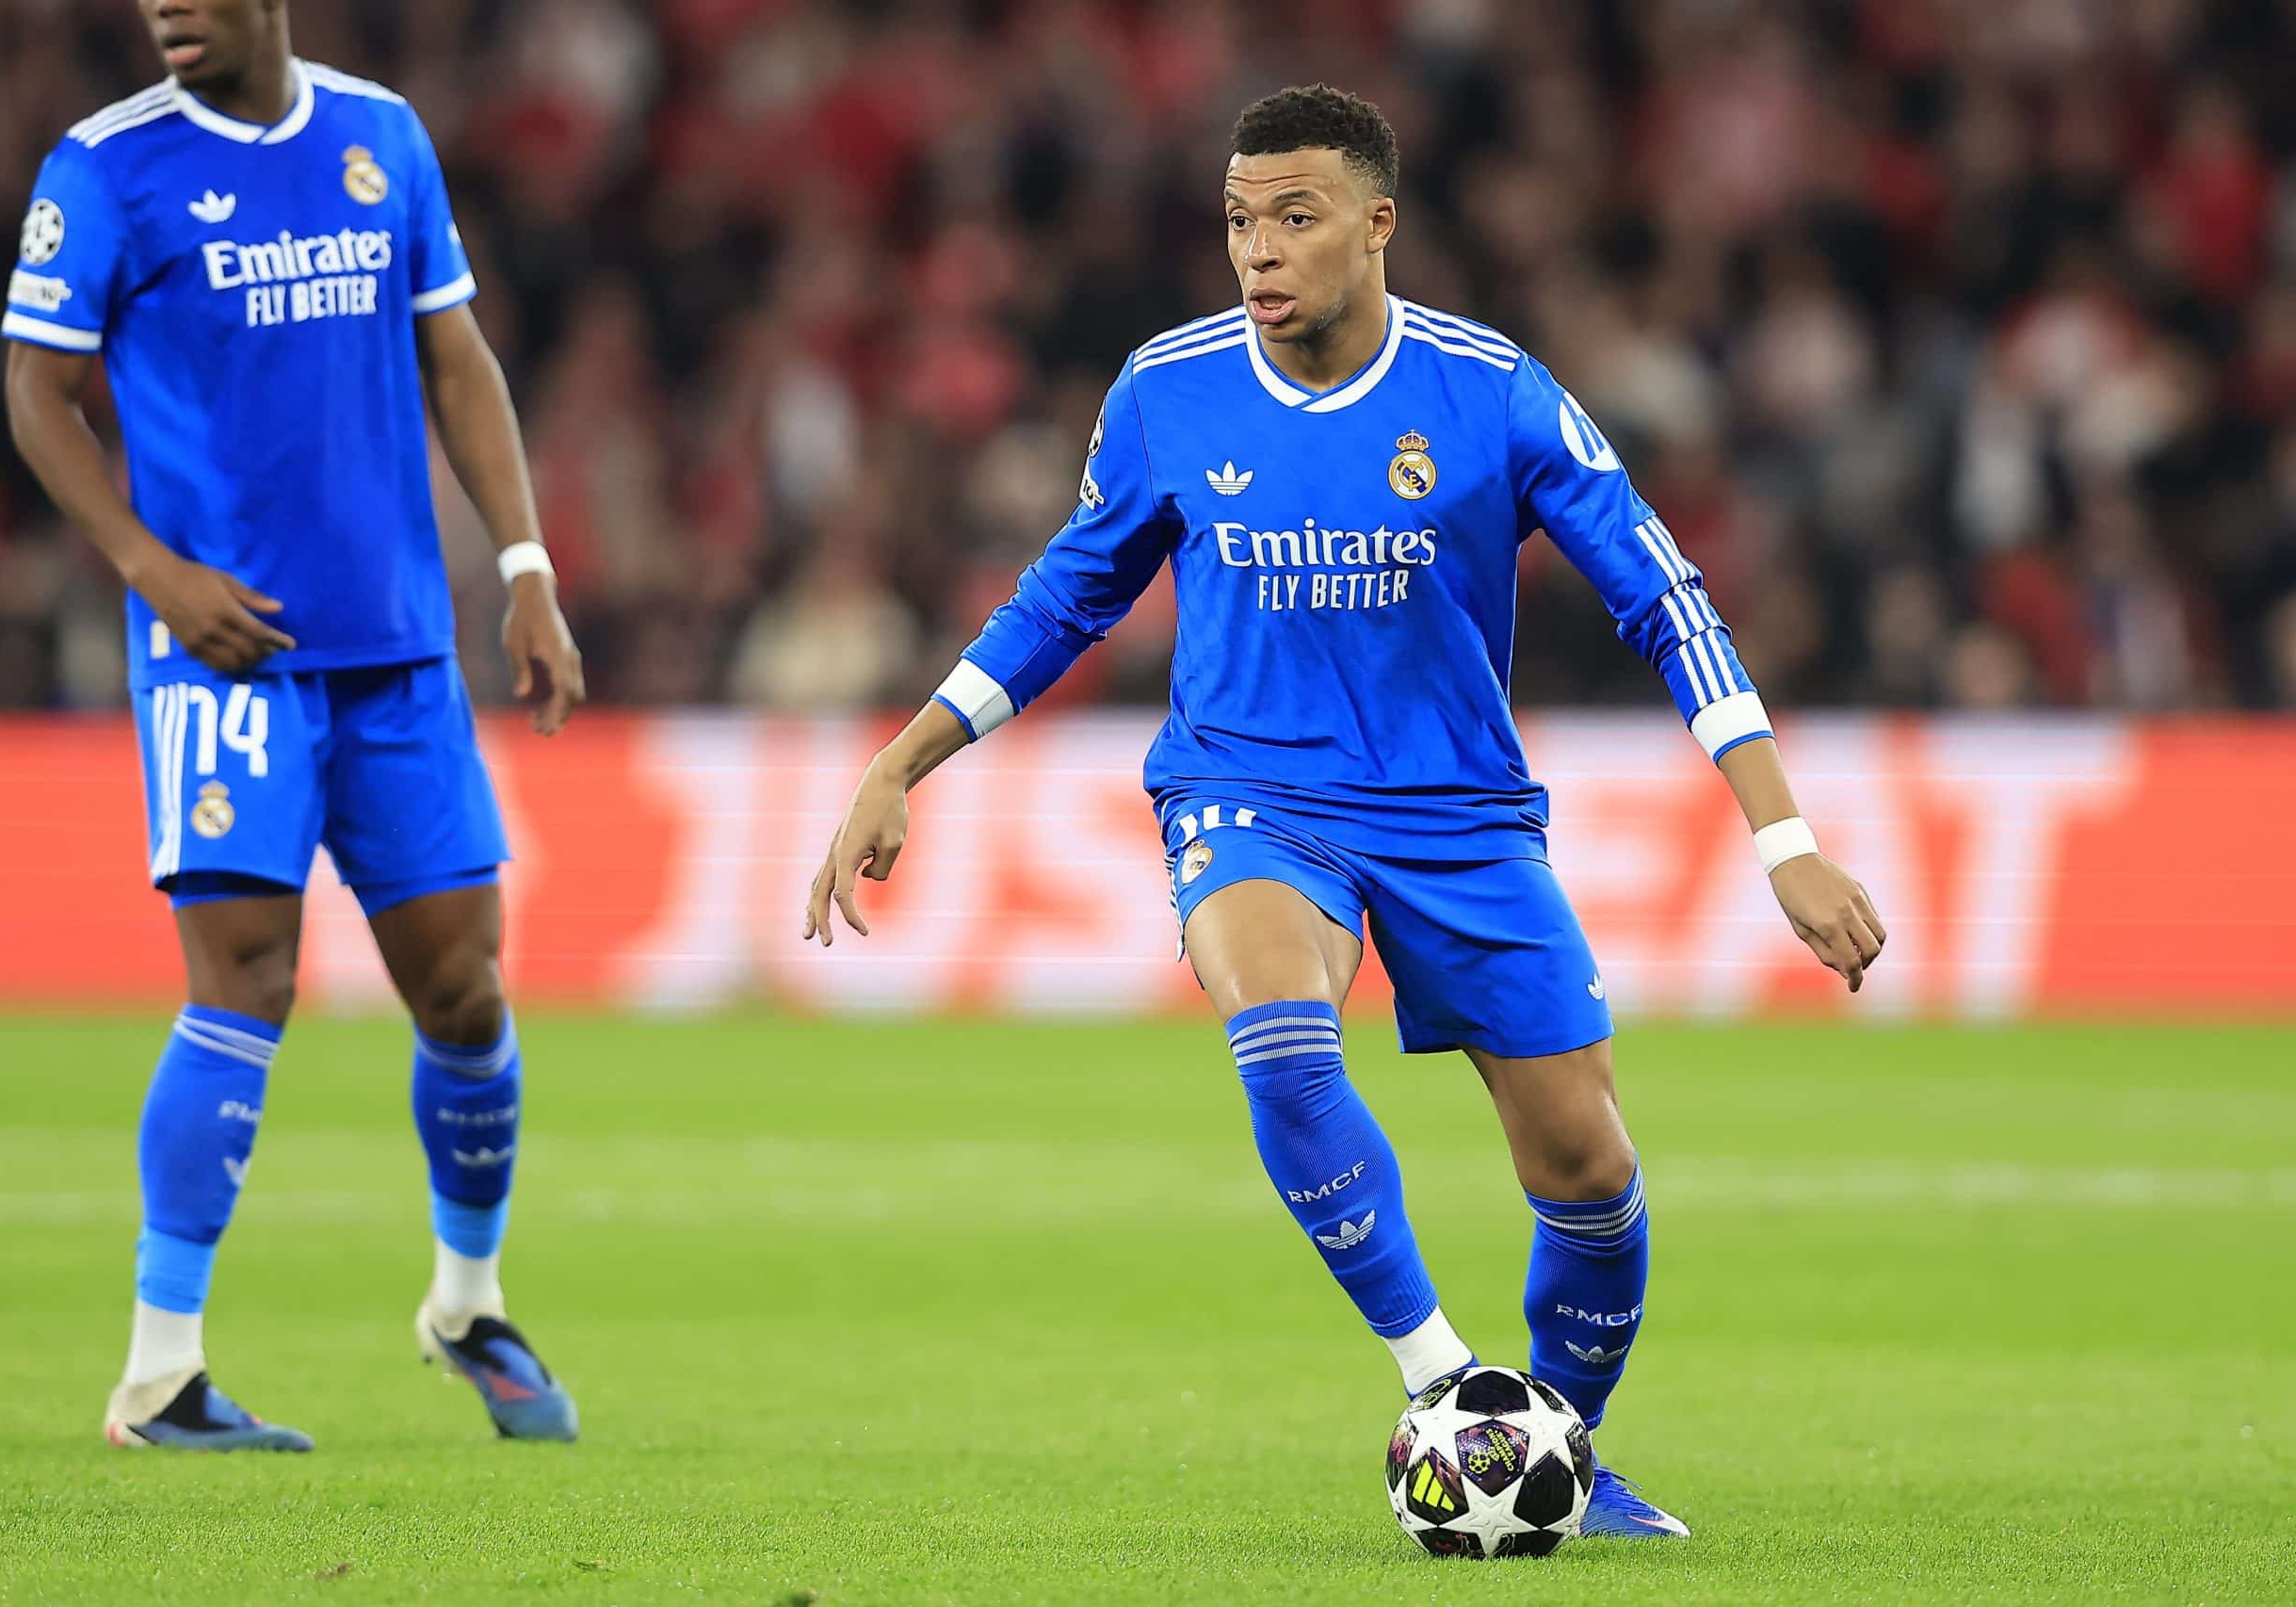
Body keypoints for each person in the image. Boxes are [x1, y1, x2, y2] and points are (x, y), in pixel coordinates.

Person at [803, 85, 1885, 1537]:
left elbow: (1665, 598)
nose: (1260, 249)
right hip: (1249, 789)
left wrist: (1786, 842)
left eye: (1296, 217)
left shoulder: (1488, 389)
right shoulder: (1166, 391)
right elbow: (1067, 596)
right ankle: (1448, 1386)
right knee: (1281, 1035)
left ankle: (1557, 1442)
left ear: (1379, 226)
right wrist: (904, 758)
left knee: (1590, 1168)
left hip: (1458, 811)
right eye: (1242, 219)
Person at [3, 0, 588, 1451]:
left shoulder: (379, 138)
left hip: (397, 652)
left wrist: (524, 570)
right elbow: (35, 392)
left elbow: (458, 359)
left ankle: (468, 1301)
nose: (166, 9)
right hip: (227, 656)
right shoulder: (103, 168)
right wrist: (153, 570)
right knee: (244, 978)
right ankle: (159, 1370)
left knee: (465, 989)